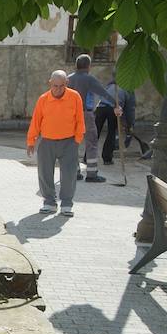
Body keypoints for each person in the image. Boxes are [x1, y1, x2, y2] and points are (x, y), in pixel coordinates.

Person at [27, 70, 86, 217]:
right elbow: (36, 121)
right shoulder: (43, 99)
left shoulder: (74, 97)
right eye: (55, 86)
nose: (58, 89)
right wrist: (31, 140)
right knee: (45, 173)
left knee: (69, 174)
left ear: (66, 83)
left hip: (69, 142)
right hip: (47, 141)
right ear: (50, 84)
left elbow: (80, 119)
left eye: (61, 86)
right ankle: (49, 202)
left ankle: (66, 204)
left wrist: (77, 139)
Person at [67, 54, 121, 182]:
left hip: (70, 115)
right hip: (85, 113)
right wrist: (116, 104)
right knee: (91, 142)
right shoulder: (89, 79)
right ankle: (91, 173)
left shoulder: (68, 79)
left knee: (72, 143)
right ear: (88, 66)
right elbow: (103, 93)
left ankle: (74, 172)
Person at [114, 82, 153, 159]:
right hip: (119, 109)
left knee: (119, 126)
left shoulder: (114, 87)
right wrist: (130, 123)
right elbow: (129, 110)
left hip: (110, 109)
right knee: (121, 126)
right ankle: (120, 144)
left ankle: (119, 144)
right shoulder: (128, 91)